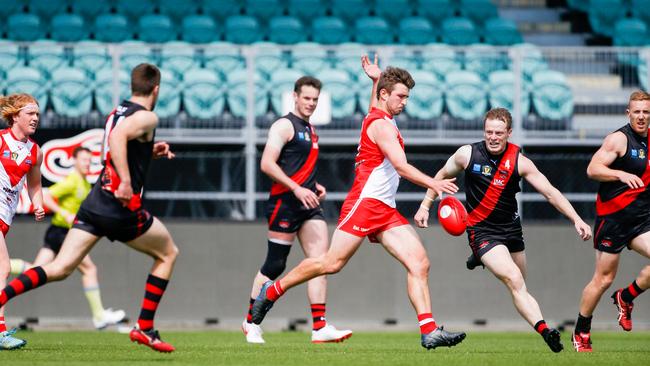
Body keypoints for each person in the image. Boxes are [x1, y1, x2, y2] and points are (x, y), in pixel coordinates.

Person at [251, 56, 467, 350]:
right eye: (400, 96)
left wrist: (376, 80)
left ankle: (429, 330)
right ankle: (273, 290)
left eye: (407, 97)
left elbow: (375, 109)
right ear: (385, 95)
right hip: (365, 204)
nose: (405, 101)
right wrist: (434, 183)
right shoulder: (382, 126)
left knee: (419, 262)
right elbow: (401, 167)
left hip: (384, 209)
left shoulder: (378, 117)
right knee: (331, 263)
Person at [0, 64, 179, 353]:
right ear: (156, 89)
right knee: (168, 253)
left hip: (94, 204)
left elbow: (118, 140)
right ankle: (144, 327)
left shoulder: (119, 110)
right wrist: (126, 182)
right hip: (119, 205)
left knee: (60, 268)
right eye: (30, 113)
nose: (35, 117)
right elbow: (120, 139)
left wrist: (149, 150)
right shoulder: (147, 115)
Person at [413, 107, 592, 353]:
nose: (493, 137)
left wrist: (577, 219)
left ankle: (480, 258)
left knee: (520, 285)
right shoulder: (467, 154)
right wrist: (425, 206)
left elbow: (550, 192)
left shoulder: (519, 161)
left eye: (499, 132)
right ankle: (545, 330)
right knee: (514, 279)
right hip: (482, 231)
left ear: (509, 133)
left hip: (511, 229)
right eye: (489, 132)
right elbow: (440, 176)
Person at [242, 76, 352, 344]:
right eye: (306, 98)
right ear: (295, 96)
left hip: (308, 203)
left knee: (320, 262)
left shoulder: (312, 130)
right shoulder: (284, 125)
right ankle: (250, 321)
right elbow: (267, 164)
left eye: (315, 99)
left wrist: (314, 186)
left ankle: (320, 327)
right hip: (285, 203)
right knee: (275, 264)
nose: (311, 103)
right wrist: (297, 188)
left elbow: (298, 167)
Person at [10, 146, 126, 330]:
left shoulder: (84, 183)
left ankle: (5, 266)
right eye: (83, 160)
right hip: (63, 232)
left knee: (35, 270)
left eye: (89, 160)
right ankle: (98, 316)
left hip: (59, 232)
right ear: (74, 161)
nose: (87, 163)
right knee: (89, 269)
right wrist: (64, 213)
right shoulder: (72, 181)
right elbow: (47, 196)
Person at [572, 91, 650, 352]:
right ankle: (581, 329)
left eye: (646, 112)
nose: (641, 116)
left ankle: (626, 296)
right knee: (603, 279)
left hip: (641, 220)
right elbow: (592, 169)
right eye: (636, 111)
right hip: (613, 220)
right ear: (628, 113)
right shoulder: (619, 139)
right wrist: (619, 173)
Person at [0, 93, 45, 350]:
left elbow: (35, 185)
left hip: (6, 218)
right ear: (15, 116)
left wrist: (37, 203)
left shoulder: (35, 151)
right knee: (2, 268)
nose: (35, 118)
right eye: (30, 113)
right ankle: (0, 331)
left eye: (37, 114)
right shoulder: (0, 140)